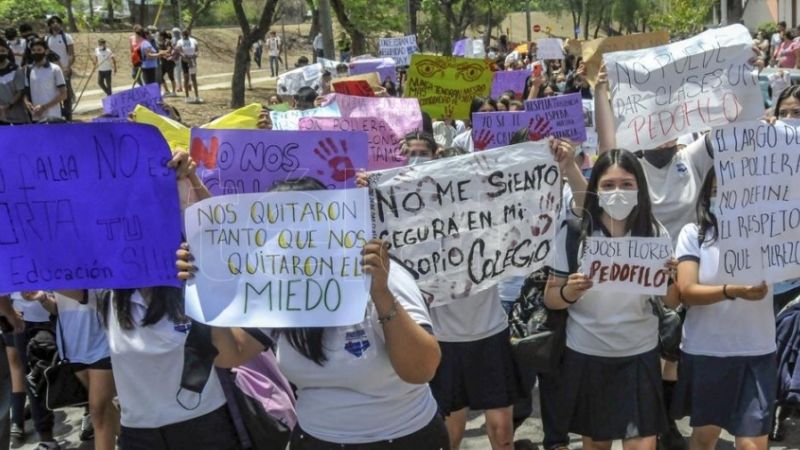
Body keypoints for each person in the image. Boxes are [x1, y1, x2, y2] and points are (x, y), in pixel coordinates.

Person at [176, 176, 449, 450]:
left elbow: (421, 370)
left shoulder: (381, 275)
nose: (289, 237)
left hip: (405, 438)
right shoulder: (276, 285)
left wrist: (381, 296)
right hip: (317, 439)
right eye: (275, 227)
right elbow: (230, 353)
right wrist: (205, 289)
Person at [544, 149, 681, 450]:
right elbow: (551, 298)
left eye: (626, 184)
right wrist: (569, 292)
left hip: (639, 353)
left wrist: (672, 276)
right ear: (596, 189)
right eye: (608, 185)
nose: (617, 191)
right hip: (587, 353)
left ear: (640, 188)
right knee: (597, 445)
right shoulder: (574, 232)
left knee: (643, 444)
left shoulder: (654, 233)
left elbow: (671, 301)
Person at [673, 169, 774, 450]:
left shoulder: (770, 232)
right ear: (706, 195)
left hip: (757, 350)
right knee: (705, 437)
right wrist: (733, 291)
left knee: (752, 443)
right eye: (716, 190)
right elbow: (687, 291)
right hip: (708, 351)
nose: (725, 197)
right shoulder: (694, 234)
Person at [31, 290, 119, 450]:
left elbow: (85, 296)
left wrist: (52, 281)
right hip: (73, 347)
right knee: (104, 409)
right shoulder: (54, 273)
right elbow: (57, 309)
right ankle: (137, 438)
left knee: (98, 410)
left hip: (102, 340)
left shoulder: (60, 276)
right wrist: (43, 298)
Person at [6, 292, 59, 450]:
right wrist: (8, 311)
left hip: (61, 313)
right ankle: (47, 439)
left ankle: (92, 415)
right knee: (34, 378)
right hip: (22, 318)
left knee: (78, 368)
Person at [24, 38, 67, 122]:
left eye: (39, 50)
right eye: (33, 50)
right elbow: (26, 93)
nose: (36, 52)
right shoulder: (28, 69)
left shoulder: (55, 69)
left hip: (53, 116)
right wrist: (27, 104)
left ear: (46, 51)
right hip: (36, 116)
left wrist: (44, 107)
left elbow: (63, 94)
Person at [44, 15, 74, 120]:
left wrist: (67, 67)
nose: (55, 24)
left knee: (66, 95)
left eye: (57, 22)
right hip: (51, 71)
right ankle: (58, 117)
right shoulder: (47, 38)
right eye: (52, 22)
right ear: (49, 25)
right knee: (54, 94)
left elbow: (71, 54)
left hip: (65, 70)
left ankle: (68, 117)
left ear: (61, 24)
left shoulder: (67, 37)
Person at [0, 40, 30, 124]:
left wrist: (7, 106)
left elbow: (20, 92)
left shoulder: (16, 69)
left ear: (7, 52)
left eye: (3, 51)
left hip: (16, 116)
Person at [176, 29, 201, 103]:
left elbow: (197, 50)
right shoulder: (180, 41)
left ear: (188, 34)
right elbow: (179, 50)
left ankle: (197, 96)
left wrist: (195, 54)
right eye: (183, 35)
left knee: (194, 78)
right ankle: (187, 97)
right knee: (186, 78)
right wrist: (184, 55)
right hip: (185, 61)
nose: (185, 36)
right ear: (182, 35)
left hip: (192, 60)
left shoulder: (193, 40)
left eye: (186, 34)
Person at [158, 31, 177, 96]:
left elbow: (169, 50)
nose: (158, 37)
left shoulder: (167, 41)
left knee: (171, 77)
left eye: (159, 35)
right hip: (163, 62)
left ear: (162, 36)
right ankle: (167, 91)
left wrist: (160, 52)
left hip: (169, 62)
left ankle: (174, 92)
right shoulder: (161, 42)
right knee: (160, 76)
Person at [170, 27, 183, 93]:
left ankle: (179, 87)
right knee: (178, 73)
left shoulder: (174, 39)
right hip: (179, 57)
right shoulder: (181, 39)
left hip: (177, 57)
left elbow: (173, 48)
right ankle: (179, 86)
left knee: (177, 73)